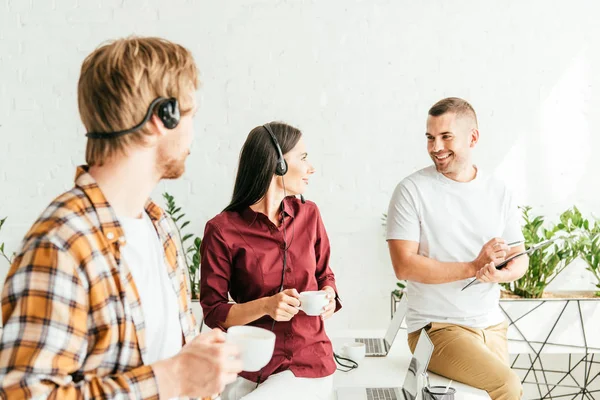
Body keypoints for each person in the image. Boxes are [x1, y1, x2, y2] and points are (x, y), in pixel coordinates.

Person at [0, 36, 241, 399]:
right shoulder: (63, 243)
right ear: (164, 117)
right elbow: (26, 394)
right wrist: (169, 379)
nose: (194, 130)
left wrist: (197, 367)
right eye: (191, 114)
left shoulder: (159, 228)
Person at [386, 97, 527, 400]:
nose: (435, 147)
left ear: (472, 137)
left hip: (491, 325)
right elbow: (405, 266)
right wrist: (474, 267)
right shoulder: (411, 190)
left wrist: (501, 275)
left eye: (446, 137)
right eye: (430, 137)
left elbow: (520, 257)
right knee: (507, 386)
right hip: (436, 328)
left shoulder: (499, 191)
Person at [200, 122, 341, 399]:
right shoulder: (221, 230)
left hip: (307, 363)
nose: (311, 167)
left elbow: (325, 274)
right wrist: (267, 306)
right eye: (302, 157)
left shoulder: (309, 215)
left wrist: (329, 294)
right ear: (278, 164)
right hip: (250, 363)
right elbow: (213, 311)